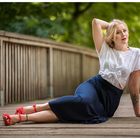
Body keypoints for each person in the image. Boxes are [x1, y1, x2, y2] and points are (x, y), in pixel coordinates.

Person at [2, 18, 140, 126]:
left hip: (110, 99)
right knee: (82, 101)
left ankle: (25, 115)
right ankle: (24, 115)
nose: (123, 34)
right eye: (118, 32)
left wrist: (137, 111)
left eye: (125, 30)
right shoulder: (104, 48)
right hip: (94, 85)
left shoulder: (136, 54)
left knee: (76, 110)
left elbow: (134, 86)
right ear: (112, 36)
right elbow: (96, 22)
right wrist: (113, 25)